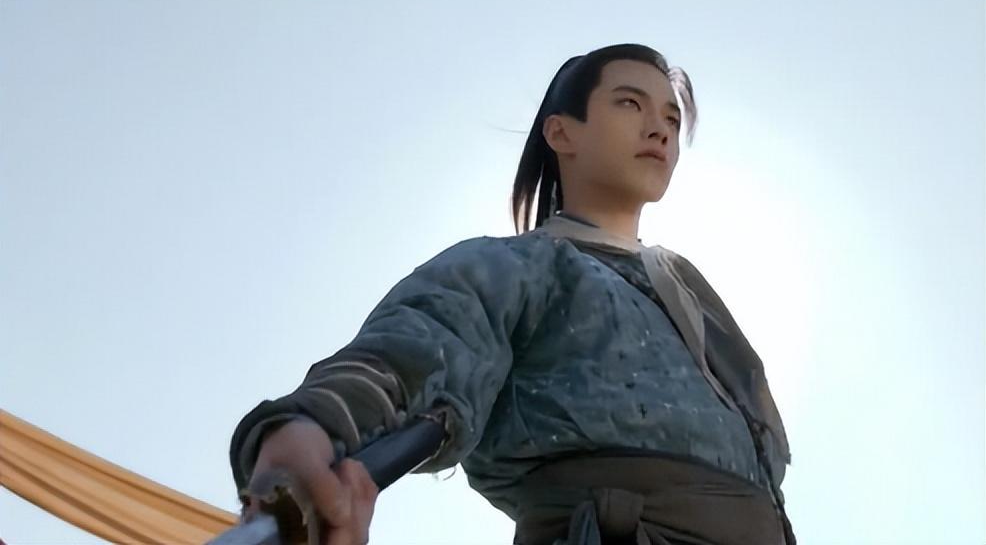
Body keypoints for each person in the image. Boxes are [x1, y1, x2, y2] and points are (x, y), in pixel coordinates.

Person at [229, 43, 795, 545]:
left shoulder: (694, 299)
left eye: (671, 117)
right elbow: (422, 343)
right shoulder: (520, 265)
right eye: (630, 103)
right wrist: (312, 429)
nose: (660, 129)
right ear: (562, 132)